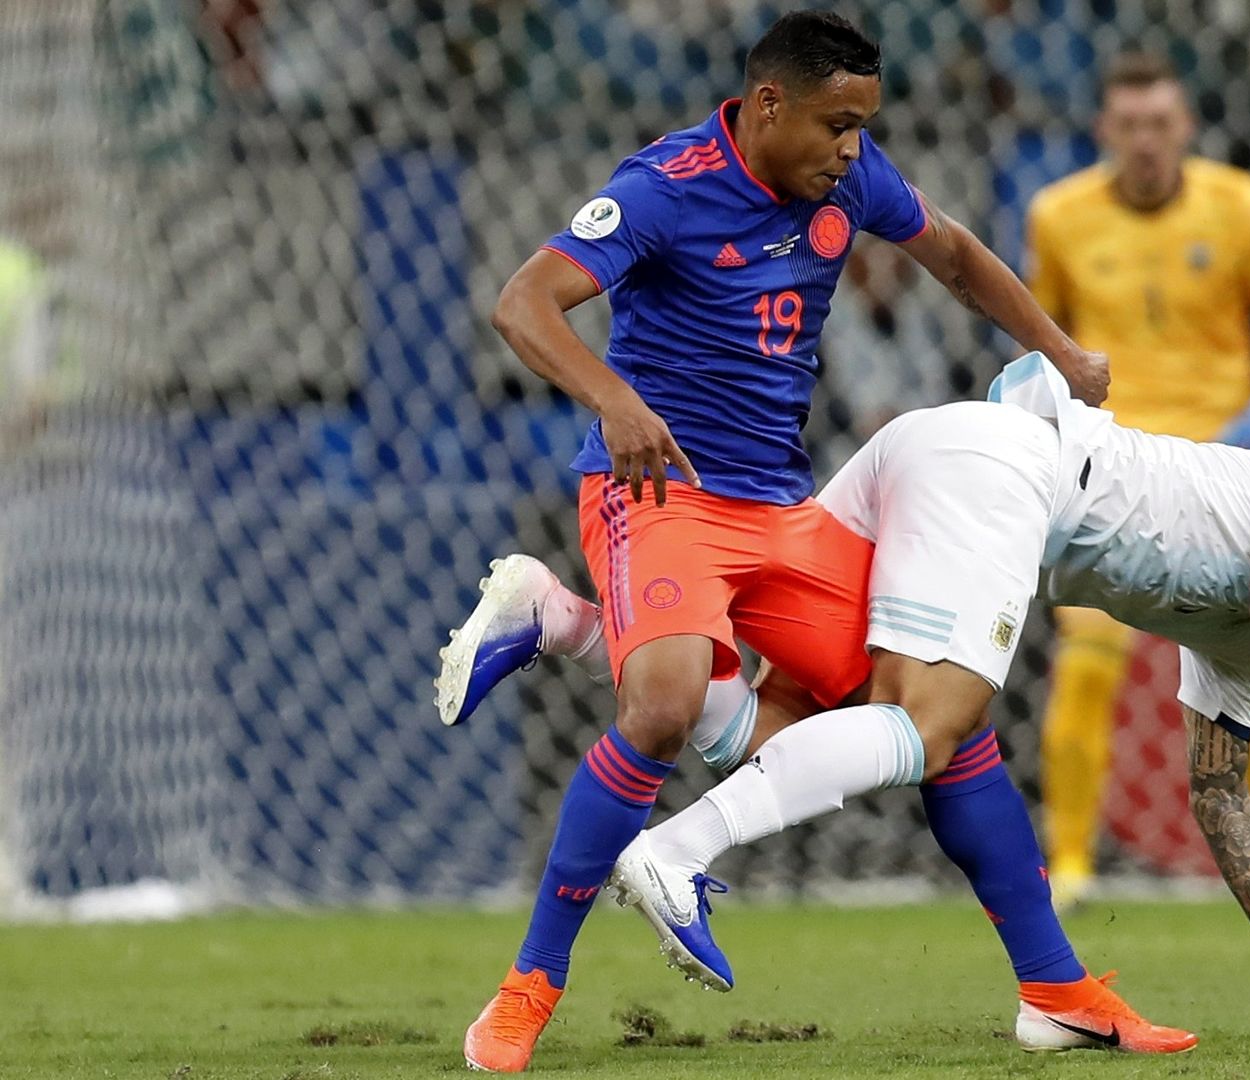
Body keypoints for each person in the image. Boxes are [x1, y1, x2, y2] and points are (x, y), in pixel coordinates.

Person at [455, 10, 1161, 1071]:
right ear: (768, 103)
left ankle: (1057, 987)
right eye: (837, 124)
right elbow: (523, 305)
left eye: (862, 126)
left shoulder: (852, 178)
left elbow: (955, 254)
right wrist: (613, 400)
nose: (851, 148)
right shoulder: (663, 187)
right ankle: (527, 989)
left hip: (784, 512)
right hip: (658, 494)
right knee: (663, 707)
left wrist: (1059, 350)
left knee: (935, 709)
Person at [447, 354, 1250, 1048]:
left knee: (792, 725)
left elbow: (1219, 794)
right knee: (931, 729)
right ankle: (677, 852)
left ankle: (564, 624)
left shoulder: (1242, 642)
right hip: (1004, 474)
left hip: (933, 458)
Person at [1023, 52, 1250, 909]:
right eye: (1129, 125)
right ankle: (1072, 867)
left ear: (1186, 126)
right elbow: (1040, 335)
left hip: (1225, 471)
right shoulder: (1059, 216)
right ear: (1104, 130)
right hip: (1112, 470)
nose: (1146, 141)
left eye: (1160, 123)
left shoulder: (1242, 205)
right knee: (1088, 663)